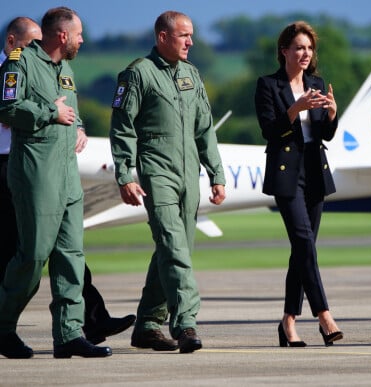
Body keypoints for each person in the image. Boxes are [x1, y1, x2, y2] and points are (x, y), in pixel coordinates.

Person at [0, 16, 136, 348]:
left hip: (66, 174)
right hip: (36, 173)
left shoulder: (66, 70)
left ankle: (70, 334)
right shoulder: (20, 65)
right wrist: (49, 113)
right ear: (63, 35)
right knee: (32, 255)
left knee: (71, 257)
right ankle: (2, 326)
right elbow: (8, 109)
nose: (83, 40)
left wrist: (78, 126)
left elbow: (70, 110)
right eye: (79, 34)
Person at [109, 10, 226, 354]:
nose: (191, 41)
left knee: (175, 249)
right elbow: (122, 128)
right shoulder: (137, 74)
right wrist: (124, 174)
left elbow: (204, 129)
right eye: (183, 35)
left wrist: (216, 174)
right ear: (162, 37)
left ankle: (146, 325)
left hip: (190, 175)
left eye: (191, 35)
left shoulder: (191, 73)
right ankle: (186, 323)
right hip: (156, 172)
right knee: (175, 248)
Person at [254, 21, 343, 347]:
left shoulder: (317, 83)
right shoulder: (268, 85)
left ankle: (288, 321)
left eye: (309, 48)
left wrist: (332, 115)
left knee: (302, 250)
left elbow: (324, 135)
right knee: (304, 243)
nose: (305, 53)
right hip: (286, 174)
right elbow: (269, 130)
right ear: (284, 51)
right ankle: (324, 315)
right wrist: (294, 109)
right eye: (299, 48)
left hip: (315, 172)